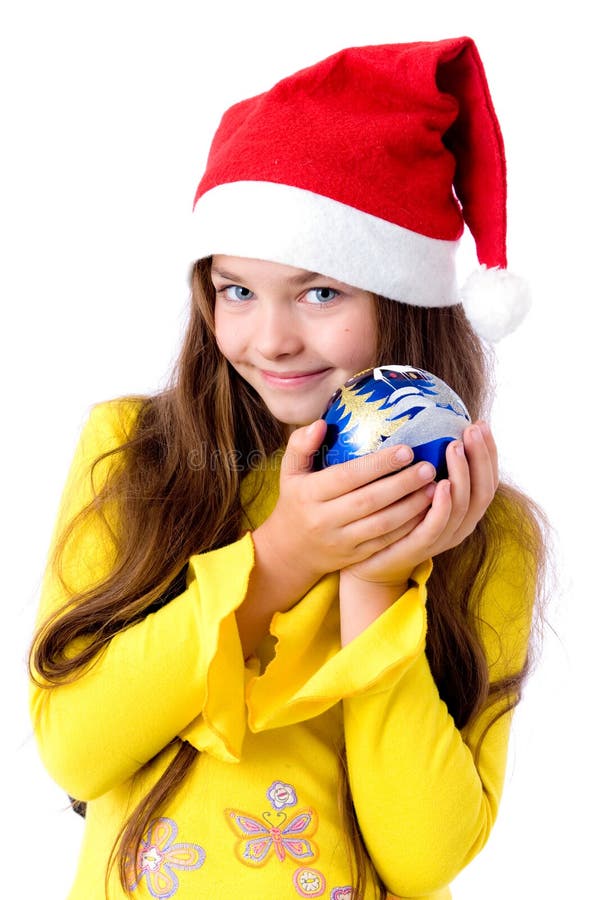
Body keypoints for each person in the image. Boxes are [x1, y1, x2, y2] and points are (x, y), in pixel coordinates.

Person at [29, 37, 547, 900]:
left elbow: (424, 857)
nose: (269, 340)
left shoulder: (483, 527)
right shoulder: (138, 455)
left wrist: (378, 581)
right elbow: (76, 754)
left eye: (320, 293)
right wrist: (280, 561)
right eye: (236, 290)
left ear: (404, 298)